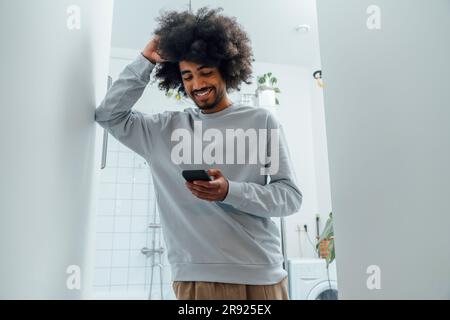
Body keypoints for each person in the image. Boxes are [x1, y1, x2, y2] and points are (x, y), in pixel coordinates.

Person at [95, 7, 302, 300]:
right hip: (196, 280)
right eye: (188, 76)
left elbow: (290, 197)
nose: (197, 85)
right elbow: (109, 116)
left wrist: (230, 191)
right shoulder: (163, 129)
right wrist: (145, 61)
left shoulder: (261, 121)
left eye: (205, 73)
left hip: (261, 276)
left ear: (226, 70)